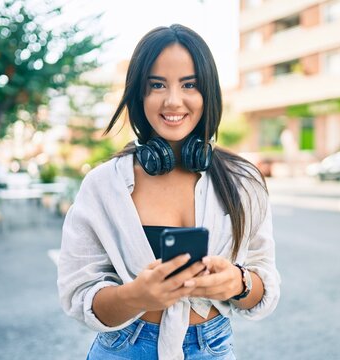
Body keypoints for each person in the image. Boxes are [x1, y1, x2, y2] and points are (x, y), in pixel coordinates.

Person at [57, 24, 280, 360]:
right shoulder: (104, 185)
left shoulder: (242, 180)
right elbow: (78, 297)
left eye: (189, 84)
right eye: (157, 85)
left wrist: (237, 283)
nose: (173, 100)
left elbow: (264, 284)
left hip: (212, 347)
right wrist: (137, 295)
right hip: (124, 348)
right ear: (138, 94)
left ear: (208, 93)